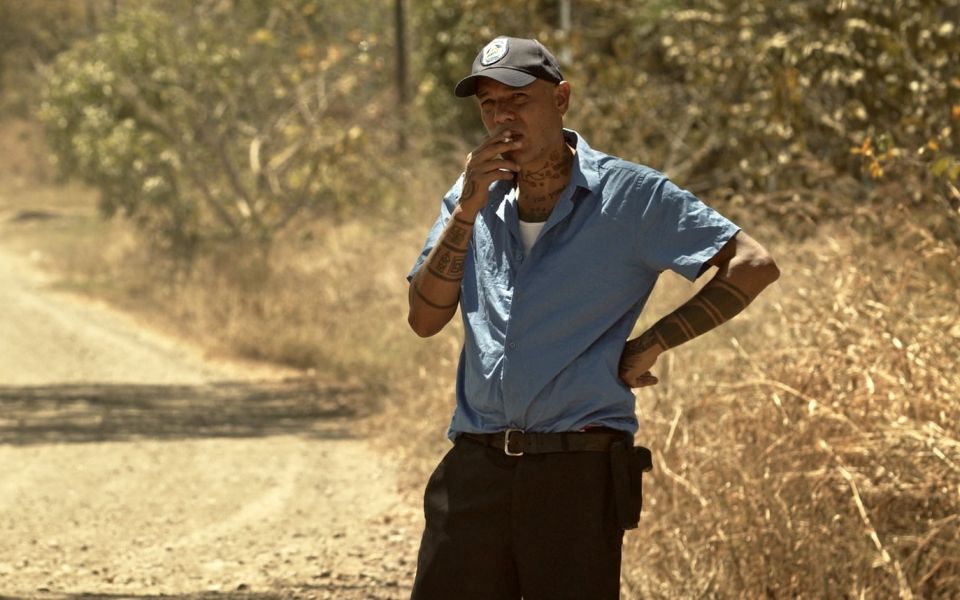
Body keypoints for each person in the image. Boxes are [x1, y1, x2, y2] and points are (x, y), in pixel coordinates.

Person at [405, 36, 780, 600]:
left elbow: (752, 264)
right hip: (475, 467)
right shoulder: (471, 196)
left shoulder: (632, 196)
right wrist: (466, 209)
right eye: (488, 105)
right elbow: (424, 319)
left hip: (575, 473)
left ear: (561, 99)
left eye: (519, 99)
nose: (503, 117)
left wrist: (653, 342)